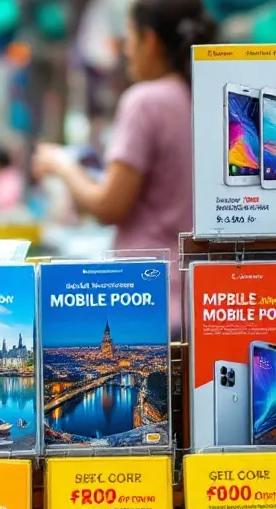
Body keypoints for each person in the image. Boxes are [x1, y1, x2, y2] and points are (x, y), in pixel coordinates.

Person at [32, 0, 216, 335]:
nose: (125, 49)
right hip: (204, 298)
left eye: (129, 37)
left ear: (150, 41)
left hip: (151, 299)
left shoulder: (146, 101)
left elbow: (109, 205)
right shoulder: (206, 97)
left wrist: (62, 165)